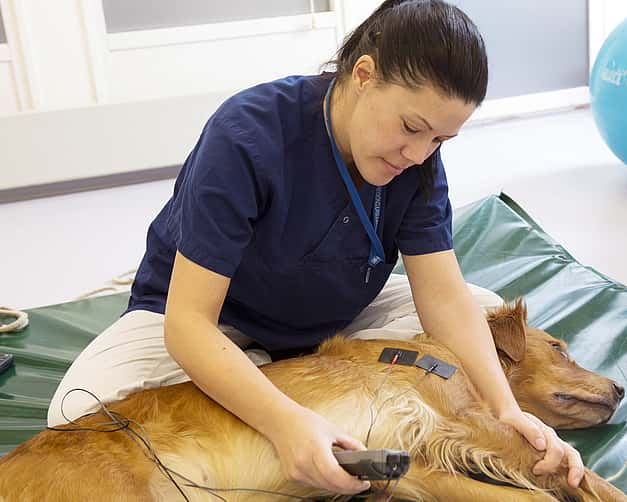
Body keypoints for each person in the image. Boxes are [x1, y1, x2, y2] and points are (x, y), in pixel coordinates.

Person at [48, 0, 585, 495]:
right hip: (211, 318)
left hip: (335, 320)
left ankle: (318, 396)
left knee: (478, 303)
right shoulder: (247, 136)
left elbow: (443, 301)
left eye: (439, 140)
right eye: (411, 127)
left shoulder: (416, 162)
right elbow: (188, 324)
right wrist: (286, 422)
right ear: (364, 74)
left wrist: (504, 409)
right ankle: (279, 391)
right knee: (77, 416)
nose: (418, 153)